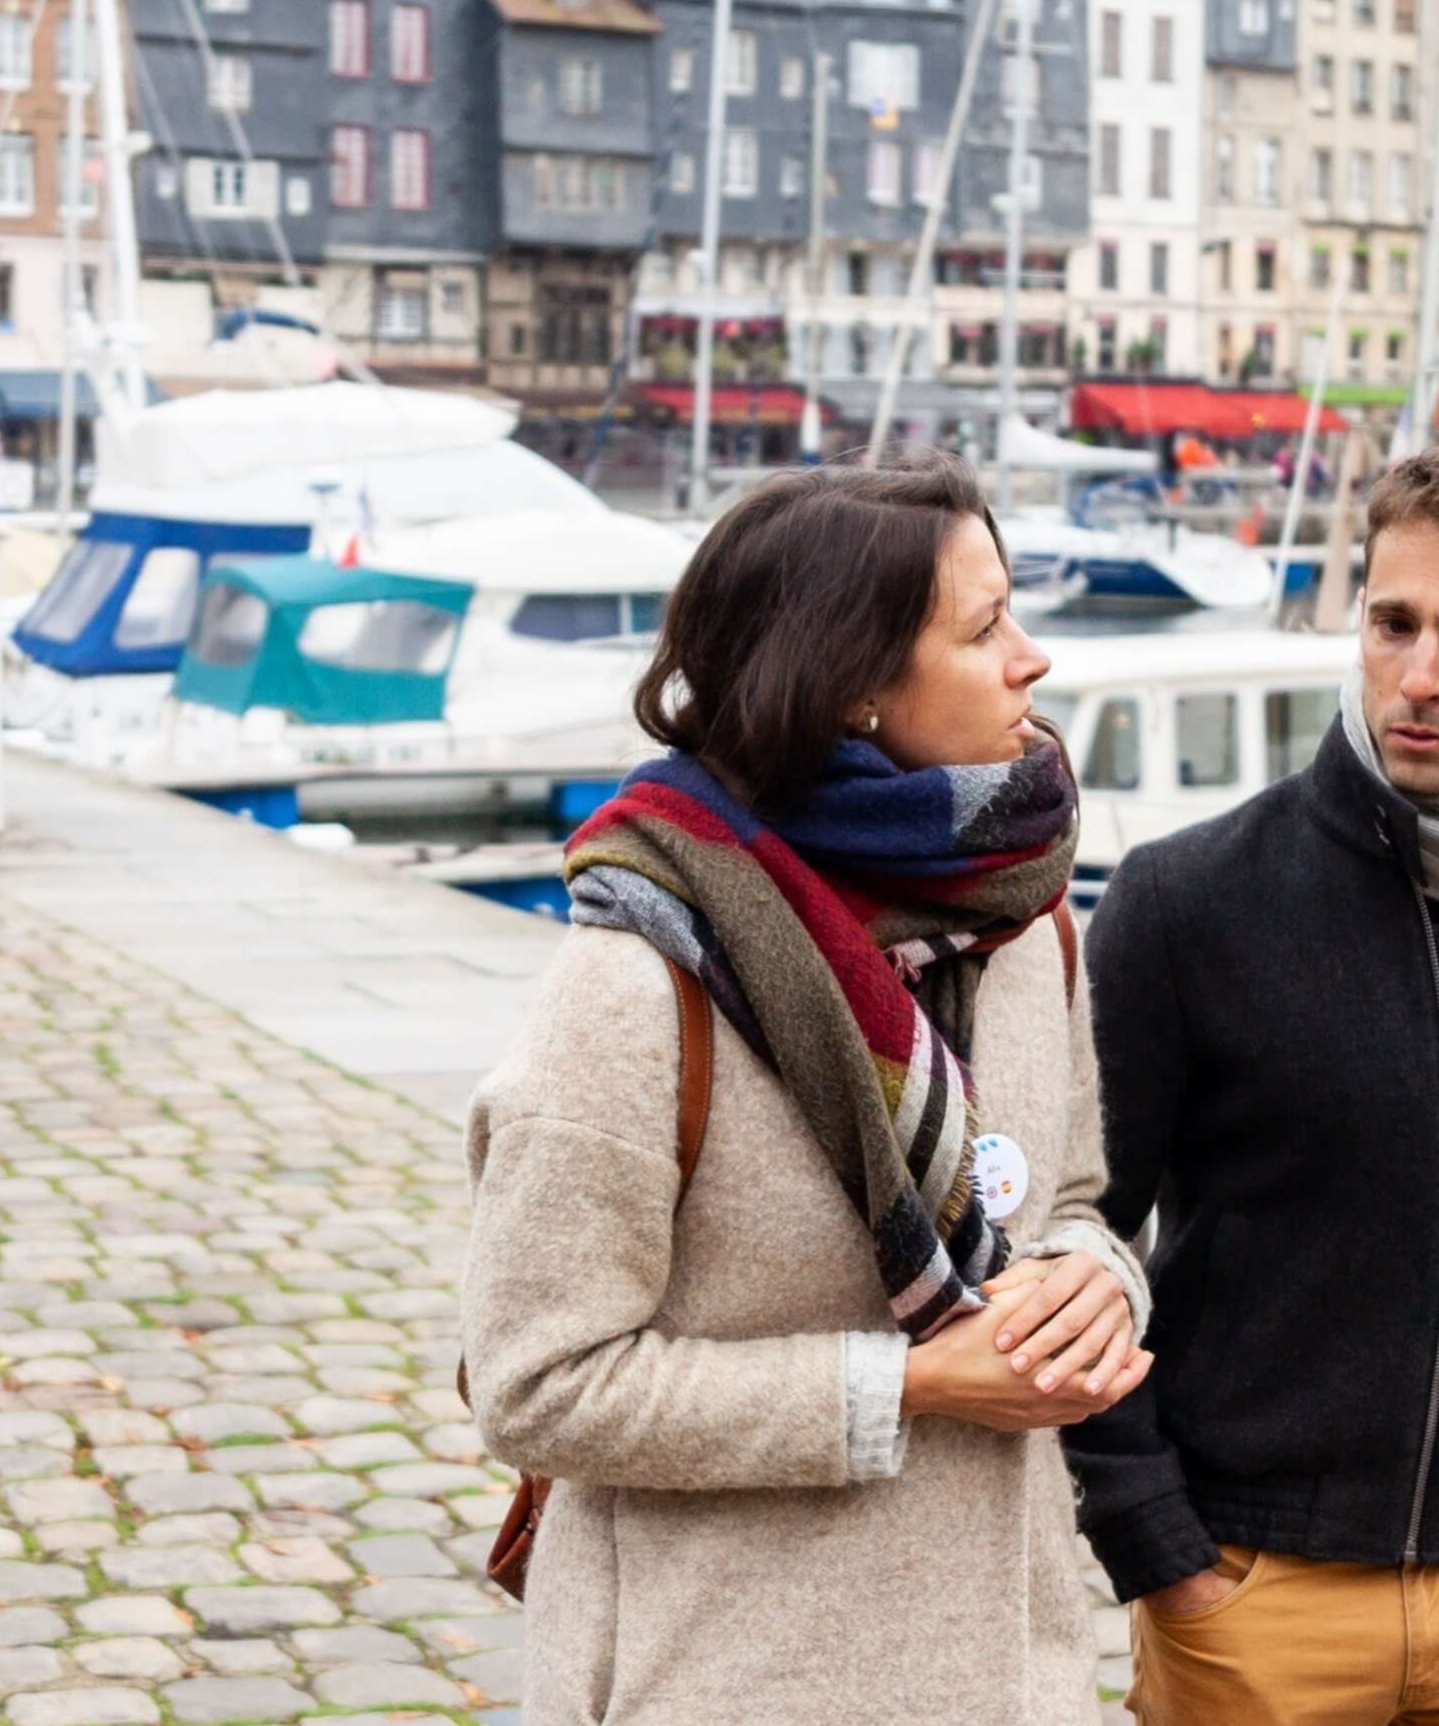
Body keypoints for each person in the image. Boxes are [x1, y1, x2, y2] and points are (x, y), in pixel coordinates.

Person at [463, 461, 1153, 1725]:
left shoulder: (1032, 921)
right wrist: (913, 1386)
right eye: (984, 625)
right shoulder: (636, 982)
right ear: (854, 689)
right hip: (723, 1676)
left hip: (1012, 1671)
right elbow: (536, 1384)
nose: (1032, 658)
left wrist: (1096, 1286)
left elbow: (1078, 1201)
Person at [1072, 442, 1439, 1726]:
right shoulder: (1186, 901)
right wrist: (1161, 1548)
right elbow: (1077, 1233)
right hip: (1254, 1591)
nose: (1418, 675)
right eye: (1391, 621)